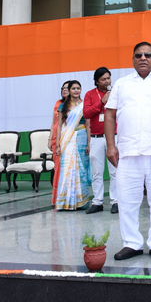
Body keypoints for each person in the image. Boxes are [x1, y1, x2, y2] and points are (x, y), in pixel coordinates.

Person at [105, 42, 151, 260]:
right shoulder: (121, 84)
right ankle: (132, 243)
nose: (143, 58)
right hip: (127, 152)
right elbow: (110, 115)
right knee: (127, 201)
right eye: (138, 55)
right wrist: (111, 145)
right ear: (132, 59)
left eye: (148, 55)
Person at [83, 67, 118, 215]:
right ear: (97, 81)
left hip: (114, 136)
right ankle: (97, 202)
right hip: (96, 138)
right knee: (97, 172)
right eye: (103, 79)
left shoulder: (116, 92)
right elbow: (86, 113)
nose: (107, 81)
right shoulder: (90, 94)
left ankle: (116, 201)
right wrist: (101, 102)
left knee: (115, 171)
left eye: (108, 78)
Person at [55, 80, 92, 210]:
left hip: (81, 138)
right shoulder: (62, 107)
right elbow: (59, 126)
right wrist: (58, 145)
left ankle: (81, 201)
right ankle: (66, 201)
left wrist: (89, 143)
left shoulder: (84, 106)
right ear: (69, 91)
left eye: (78, 88)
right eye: (73, 88)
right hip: (67, 140)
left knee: (81, 169)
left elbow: (88, 125)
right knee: (67, 169)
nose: (76, 91)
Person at [50, 81, 70, 207]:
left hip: (68, 138)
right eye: (63, 88)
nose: (64, 90)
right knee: (58, 168)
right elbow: (53, 122)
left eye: (67, 88)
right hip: (56, 139)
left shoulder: (75, 104)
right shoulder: (58, 103)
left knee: (67, 167)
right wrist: (49, 138)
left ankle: (67, 196)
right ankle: (56, 198)